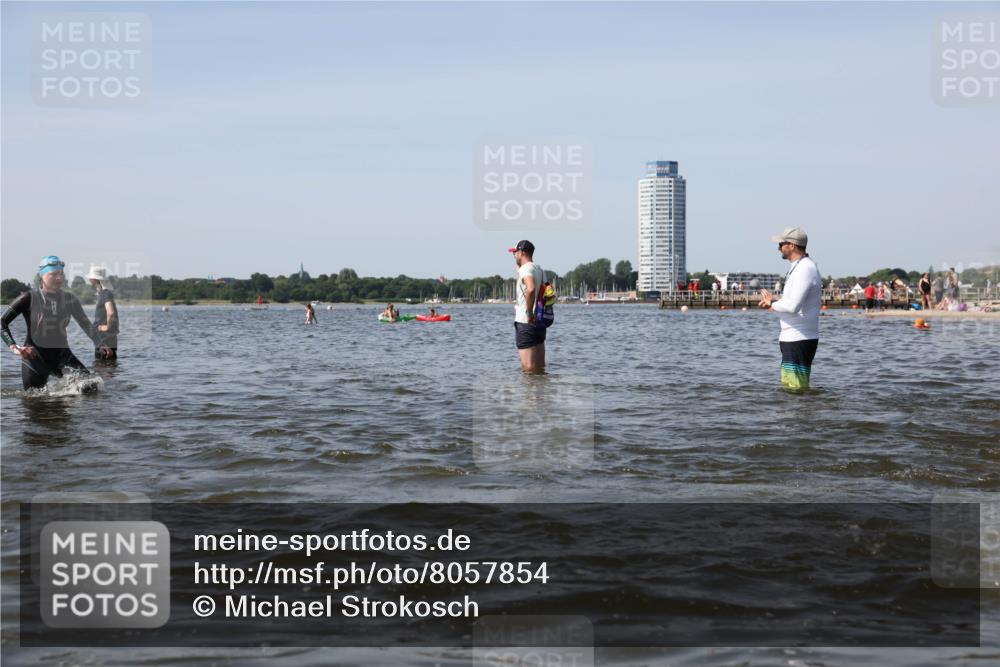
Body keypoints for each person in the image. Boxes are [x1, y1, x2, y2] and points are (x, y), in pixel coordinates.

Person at [1, 256, 111, 390]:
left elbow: (85, 324)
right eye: (53, 274)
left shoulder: (70, 299)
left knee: (91, 387)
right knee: (34, 402)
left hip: (63, 356)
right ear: (42, 276)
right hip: (35, 357)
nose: (59, 278)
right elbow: (2, 321)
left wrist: (100, 343)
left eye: (61, 274)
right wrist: (15, 347)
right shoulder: (28, 298)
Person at [758, 228, 822, 391]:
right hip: (791, 337)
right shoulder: (798, 267)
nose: (778, 247)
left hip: (799, 338)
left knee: (796, 390)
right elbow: (792, 301)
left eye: (781, 244)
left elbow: (794, 306)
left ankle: (801, 416)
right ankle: (795, 416)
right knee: (790, 389)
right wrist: (773, 301)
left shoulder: (805, 269)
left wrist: (771, 304)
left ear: (792, 245)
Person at [509, 240, 546, 373]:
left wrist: (529, 313)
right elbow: (548, 292)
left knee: (528, 368)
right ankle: (541, 393)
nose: (514, 256)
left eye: (515, 253)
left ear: (522, 253)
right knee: (540, 366)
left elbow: (530, 289)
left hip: (526, 321)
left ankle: (529, 394)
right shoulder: (539, 269)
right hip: (540, 323)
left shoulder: (525, 269)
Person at [87, 265, 118, 360]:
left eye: (90, 278)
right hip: (106, 340)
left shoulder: (105, 293)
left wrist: (107, 327)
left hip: (104, 341)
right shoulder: (103, 294)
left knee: (102, 370)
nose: (89, 281)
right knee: (109, 369)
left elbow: (111, 312)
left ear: (94, 279)